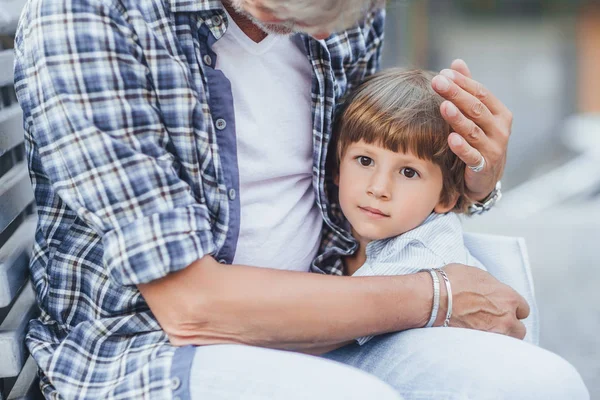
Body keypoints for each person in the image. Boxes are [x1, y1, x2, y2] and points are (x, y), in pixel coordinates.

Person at [13, 0, 588, 399]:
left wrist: (468, 184)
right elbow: (192, 308)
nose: (323, 36)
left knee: (542, 386)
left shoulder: (340, 15)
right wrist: (436, 296)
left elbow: (363, 188)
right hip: (147, 349)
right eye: (290, 13)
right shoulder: (92, 16)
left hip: (338, 320)